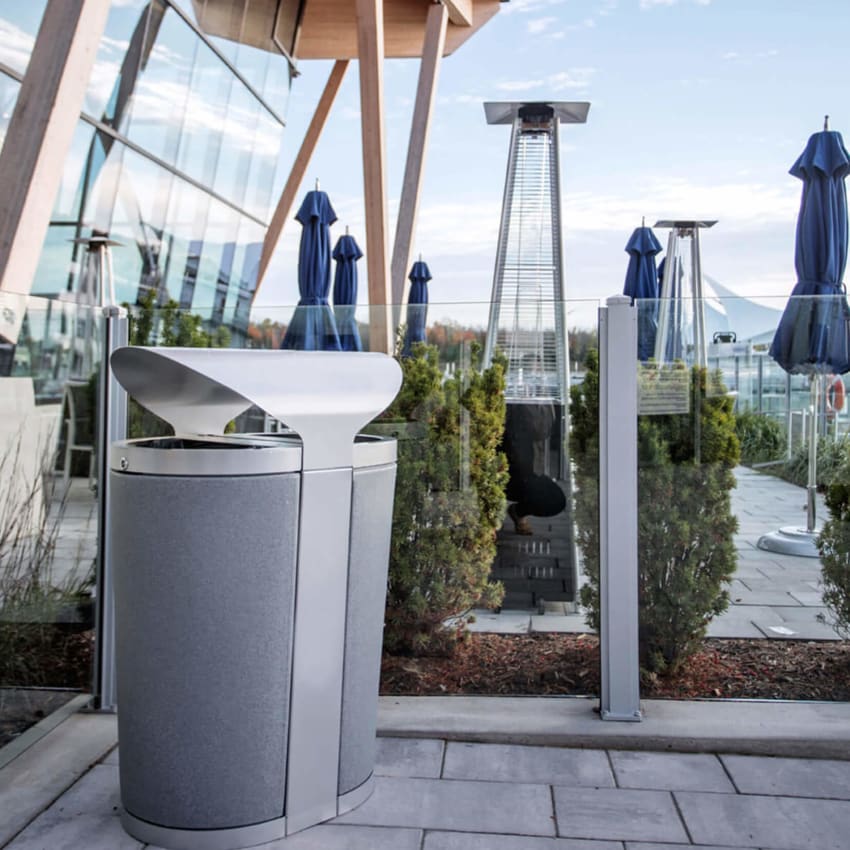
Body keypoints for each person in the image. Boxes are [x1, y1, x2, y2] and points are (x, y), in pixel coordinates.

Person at [502, 402, 566, 535]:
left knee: (556, 500)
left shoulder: (527, 417)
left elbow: (543, 429)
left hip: (522, 476)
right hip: (503, 470)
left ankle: (518, 512)